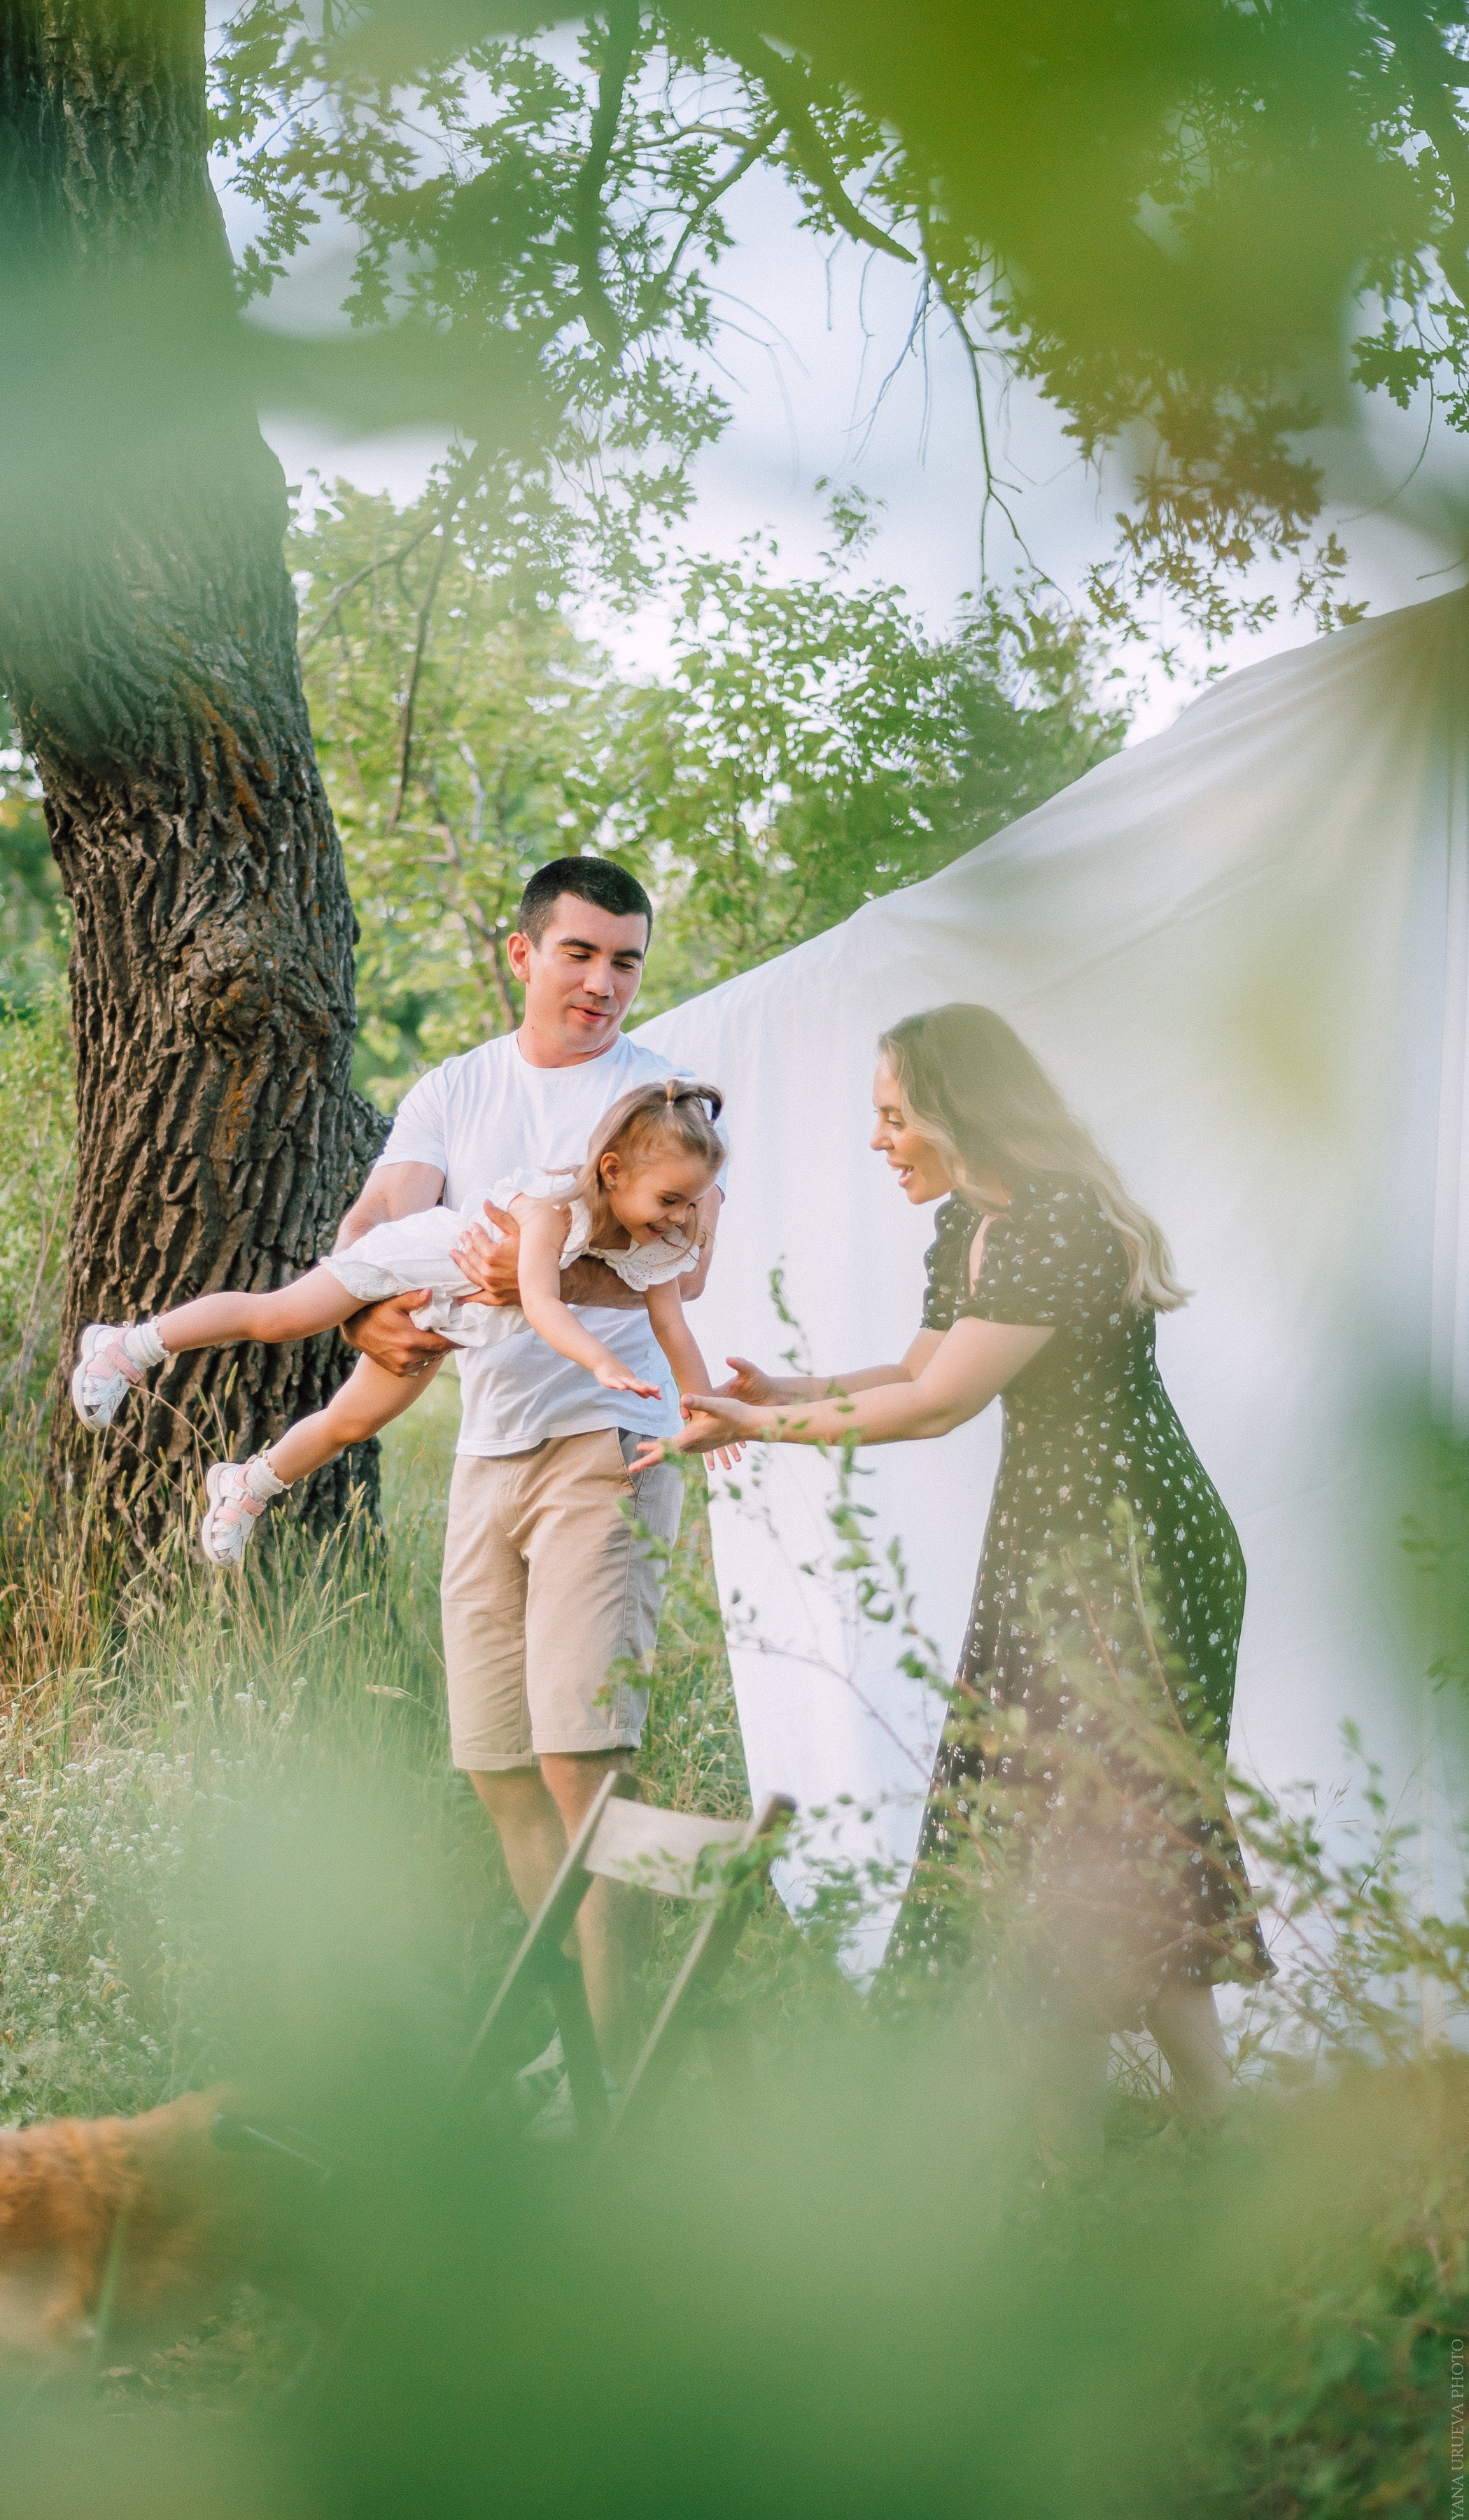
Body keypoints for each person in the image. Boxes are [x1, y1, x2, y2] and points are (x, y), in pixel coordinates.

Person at [645, 1002, 1270, 2161]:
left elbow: (936, 1409)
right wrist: (781, 1388)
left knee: (1120, 1820)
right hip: (1046, 1541)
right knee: (1060, 1820)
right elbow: (913, 1369)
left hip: (1130, 1547)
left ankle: (1193, 2125)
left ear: (955, 1110)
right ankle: (1110, 2137)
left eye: (893, 1117)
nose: (879, 1142)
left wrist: (757, 1430)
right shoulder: (969, 1228)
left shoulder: (1056, 1225)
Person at [316, 858, 724, 2081]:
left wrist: (529, 1283)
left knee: (578, 1759)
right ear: (522, 954)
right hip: (486, 1453)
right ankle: (574, 2049)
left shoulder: (657, 1096)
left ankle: (619, 2072)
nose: (602, 982)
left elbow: (683, 1272)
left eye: (625, 961)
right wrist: (359, 1320)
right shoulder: (454, 1088)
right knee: (499, 1769)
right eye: (580, 954)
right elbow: (375, 1227)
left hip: (606, 1441)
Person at [69, 1076, 732, 1568]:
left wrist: (699, 1407)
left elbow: (672, 1325)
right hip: (407, 1266)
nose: (680, 1218)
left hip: (456, 1314)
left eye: (693, 1203)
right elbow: (543, 1303)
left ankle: (246, 1485)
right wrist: (601, 1362)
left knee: (353, 1422)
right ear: (612, 1172)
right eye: (670, 1200)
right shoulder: (550, 1209)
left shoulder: (660, 1241)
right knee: (279, 1318)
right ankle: (126, 1347)